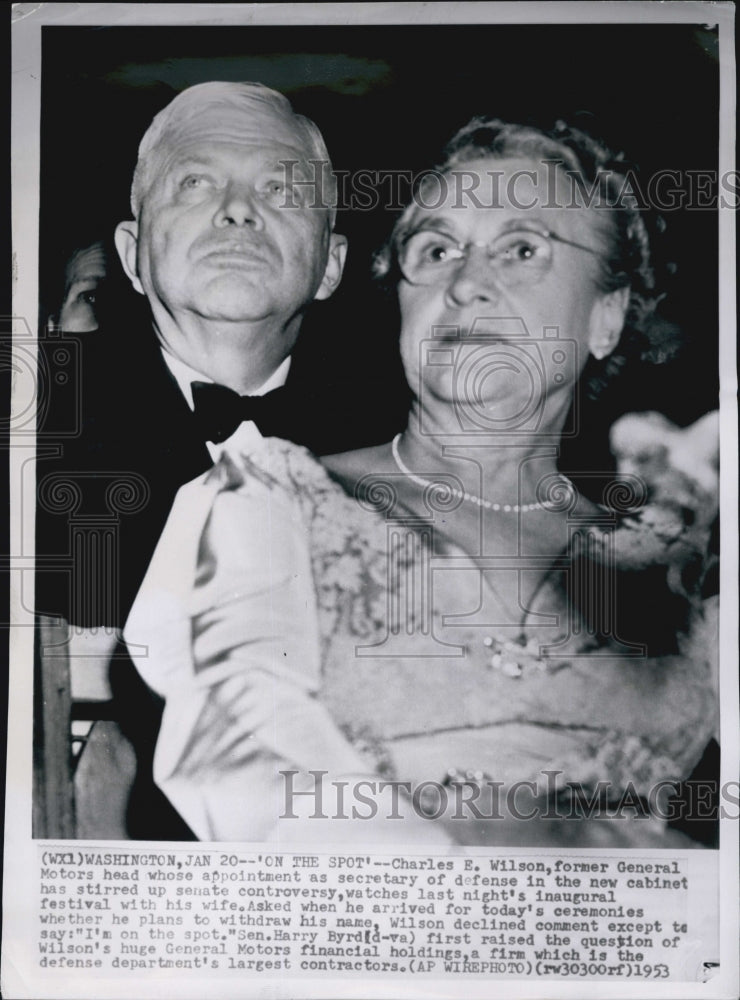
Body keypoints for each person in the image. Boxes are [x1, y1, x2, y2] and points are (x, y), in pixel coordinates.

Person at [124, 117, 718, 846]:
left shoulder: (681, 565)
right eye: (436, 250)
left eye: (523, 249)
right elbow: (242, 765)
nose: (467, 284)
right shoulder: (268, 498)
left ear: (606, 315)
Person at [34, 81, 407, 840]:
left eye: (278, 187)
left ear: (331, 265)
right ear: (133, 258)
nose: (239, 210)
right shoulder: (31, 422)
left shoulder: (416, 438)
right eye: (196, 183)